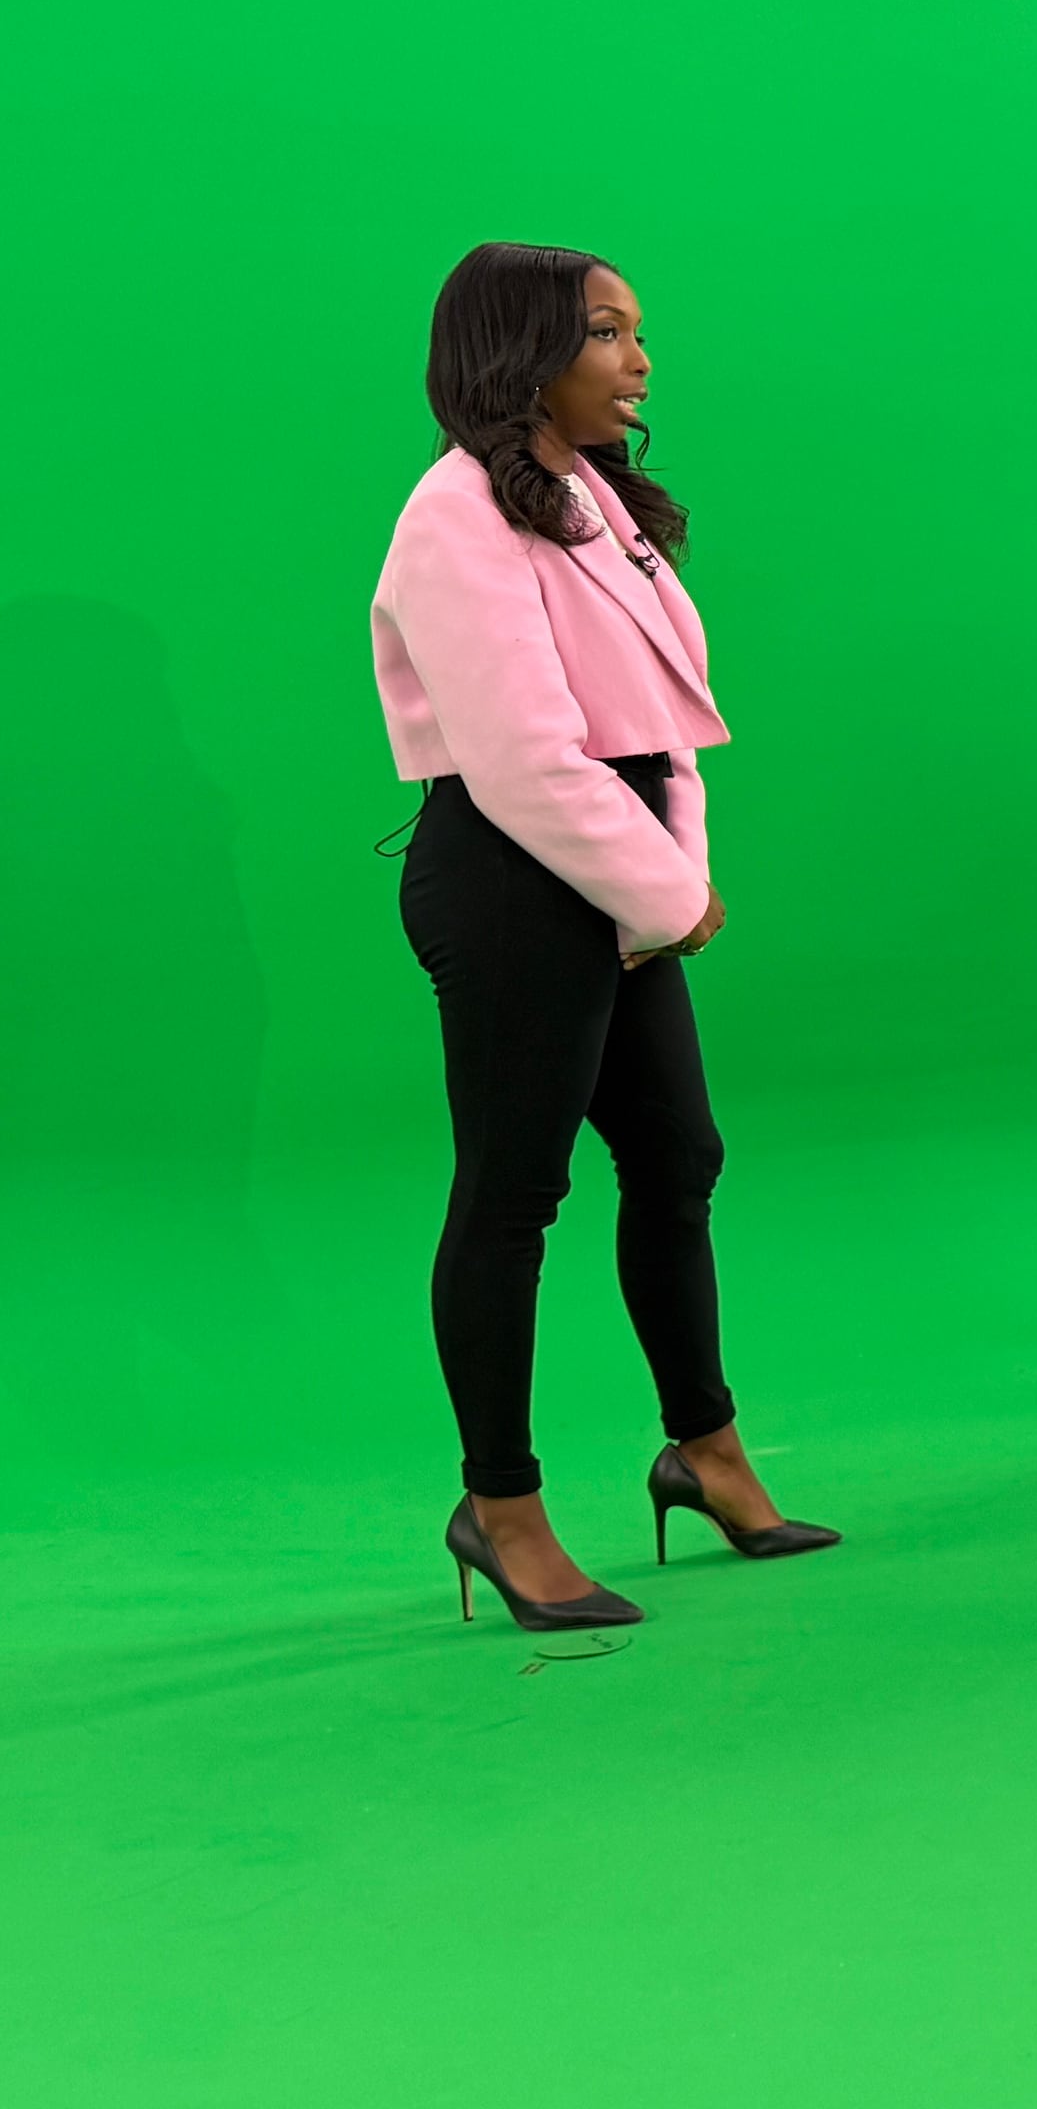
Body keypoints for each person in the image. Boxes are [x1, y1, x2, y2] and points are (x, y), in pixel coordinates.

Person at [372, 243, 838, 1631]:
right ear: (524, 356)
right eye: (609, 334)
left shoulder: (589, 499)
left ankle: (705, 1453)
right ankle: (500, 1506)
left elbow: (671, 718)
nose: (640, 360)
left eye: (639, 333)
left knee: (678, 1154)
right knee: (514, 1193)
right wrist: (668, 894)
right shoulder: (456, 518)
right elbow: (523, 763)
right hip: (518, 877)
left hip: (615, 863)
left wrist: (673, 875)